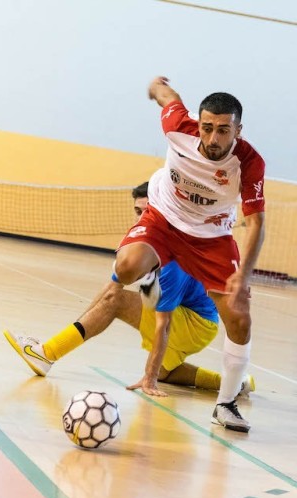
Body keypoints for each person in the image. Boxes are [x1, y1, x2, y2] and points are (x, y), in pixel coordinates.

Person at [113, 76, 266, 433]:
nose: (213, 139)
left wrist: (243, 274)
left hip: (211, 237)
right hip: (165, 219)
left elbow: (256, 222)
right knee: (126, 267)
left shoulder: (249, 163)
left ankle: (226, 404)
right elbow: (168, 97)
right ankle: (152, 268)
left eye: (223, 131)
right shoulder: (177, 127)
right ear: (198, 124)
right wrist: (154, 86)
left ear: (238, 130)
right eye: (207, 128)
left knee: (240, 316)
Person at [3, 182, 255, 398]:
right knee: (168, 370)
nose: (140, 217)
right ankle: (236, 384)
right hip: (182, 313)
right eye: (137, 211)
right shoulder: (143, 244)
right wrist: (81, 324)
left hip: (196, 324)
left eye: (147, 211)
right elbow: (111, 288)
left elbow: (159, 322)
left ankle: (46, 354)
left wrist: (149, 377)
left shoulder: (175, 256)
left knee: (120, 304)